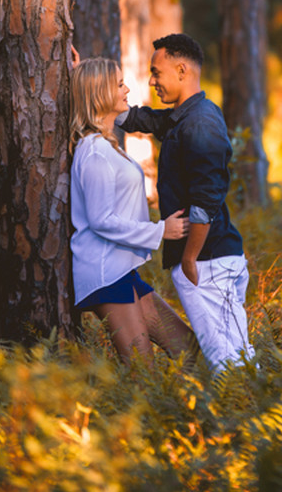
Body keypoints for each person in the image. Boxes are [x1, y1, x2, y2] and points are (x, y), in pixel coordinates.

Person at [116, 34, 256, 372]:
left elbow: (206, 200)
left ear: (181, 70)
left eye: (156, 72)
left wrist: (190, 258)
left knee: (227, 363)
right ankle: (249, 412)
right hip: (213, 258)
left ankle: (242, 420)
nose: (151, 81)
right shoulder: (186, 115)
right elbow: (142, 120)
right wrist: (85, 82)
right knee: (235, 356)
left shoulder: (200, 123)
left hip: (207, 262)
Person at [69, 57, 199, 365]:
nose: (127, 88)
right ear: (100, 94)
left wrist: (81, 67)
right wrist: (159, 231)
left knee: (188, 350)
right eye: (118, 84)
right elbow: (101, 221)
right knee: (143, 372)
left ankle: (196, 409)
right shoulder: (94, 152)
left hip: (122, 271)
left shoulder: (106, 144)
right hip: (105, 275)